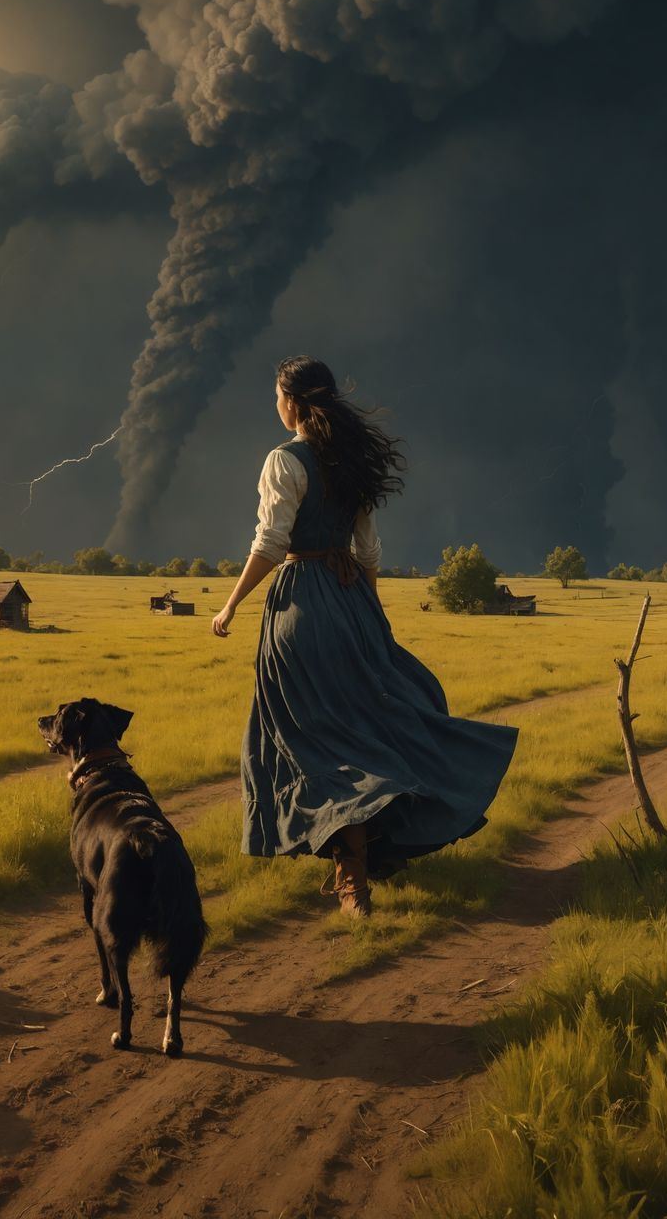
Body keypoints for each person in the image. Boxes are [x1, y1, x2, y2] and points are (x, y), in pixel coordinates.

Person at [211, 356, 518, 918]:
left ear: (293, 402)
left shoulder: (284, 460)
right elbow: (368, 550)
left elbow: (272, 543)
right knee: (375, 721)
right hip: (351, 598)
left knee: (318, 739)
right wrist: (369, 612)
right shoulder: (350, 459)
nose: (276, 406)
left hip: (302, 603)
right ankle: (374, 852)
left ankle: (352, 877)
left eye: (277, 397)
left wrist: (231, 603)